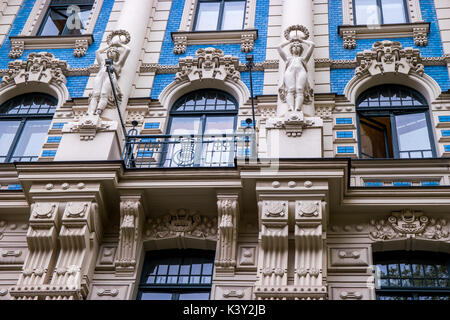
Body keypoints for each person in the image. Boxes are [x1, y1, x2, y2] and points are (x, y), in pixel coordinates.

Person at [88, 36, 130, 116]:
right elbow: (97, 52)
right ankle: (90, 113)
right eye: (109, 51)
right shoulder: (103, 62)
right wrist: (109, 46)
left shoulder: (118, 64)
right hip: (99, 77)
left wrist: (120, 44)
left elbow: (128, 50)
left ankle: (98, 112)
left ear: (117, 55)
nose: (111, 52)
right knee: (95, 94)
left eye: (113, 51)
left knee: (104, 94)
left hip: (110, 78)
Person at [278, 35, 315, 114]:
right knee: (290, 89)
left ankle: (298, 108)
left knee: (299, 89)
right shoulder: (288, 59)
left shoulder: (303, 59)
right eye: (294, 46)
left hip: (301, 72)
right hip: (289, 72)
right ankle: (291, 108)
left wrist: (301, 40)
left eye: (298, 46)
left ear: (301, 49)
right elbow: (279, 47)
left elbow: (312, 45)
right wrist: (290, 41)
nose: (295, 47)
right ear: (291, 49)